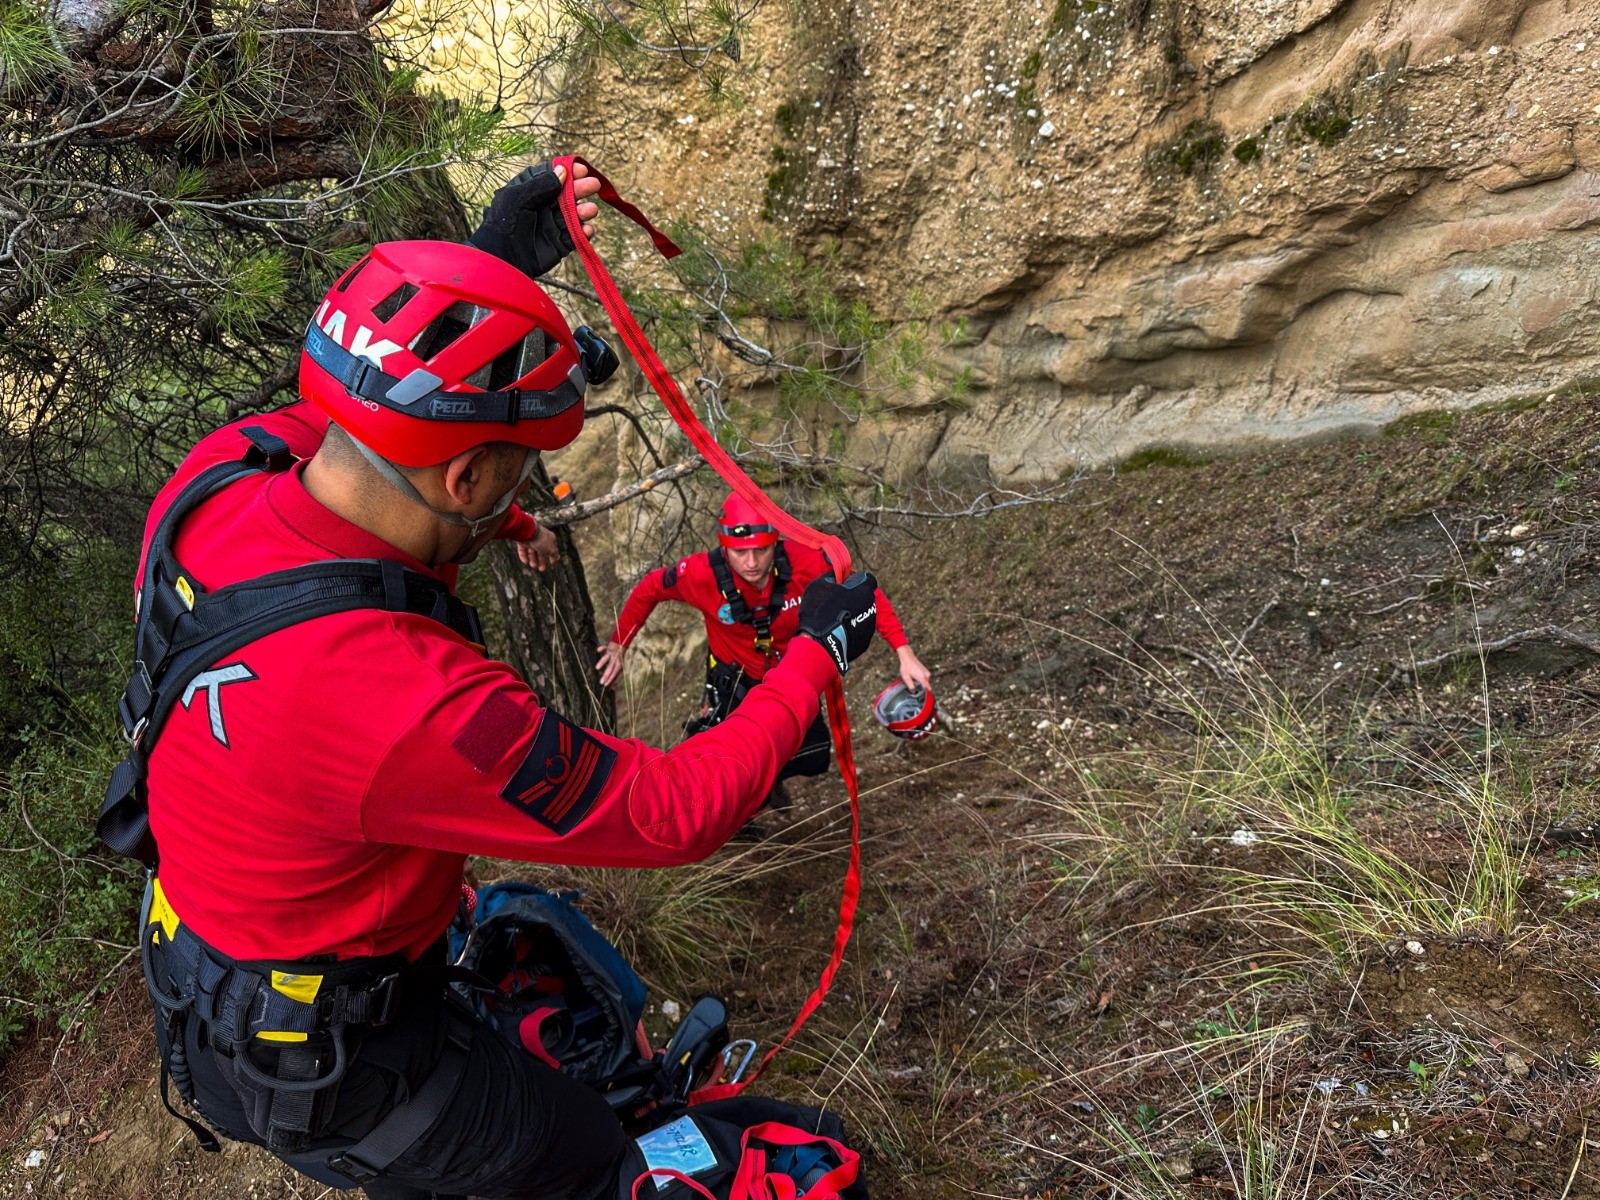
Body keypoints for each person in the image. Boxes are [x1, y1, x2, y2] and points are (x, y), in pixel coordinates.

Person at [109, 162, 882, 1200]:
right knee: (580, 1159)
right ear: (465, 476)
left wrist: (492, 263)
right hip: (338, 1069)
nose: (518, 497)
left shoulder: (215, 480)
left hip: (213, 981)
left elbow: (372, 422)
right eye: (513, 474)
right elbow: (674, 812)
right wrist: (811, 656)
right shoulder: (406, 698)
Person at [596, 495, 930, 798]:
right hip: (734, 682)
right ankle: (742, 807)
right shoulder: (699, 574)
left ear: (776, 542)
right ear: (725, 547)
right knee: (726, 768)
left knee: (812, 757)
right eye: (740, 552)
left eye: (762, 550)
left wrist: (904, 652)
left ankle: (765, 785)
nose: (752, 562)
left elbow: (861, 593)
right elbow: (648, 590)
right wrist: (618, 645)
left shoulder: (806, 563)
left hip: (790, 678)